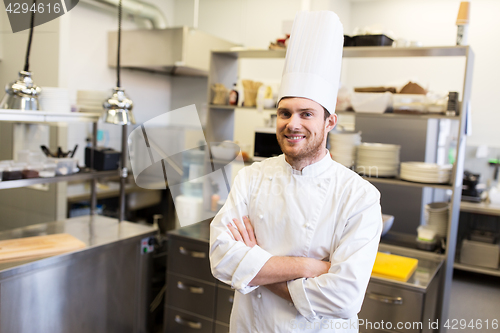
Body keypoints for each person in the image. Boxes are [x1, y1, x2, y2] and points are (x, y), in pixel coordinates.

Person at [209, 10, 382, 333]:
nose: (293, 124)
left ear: (329, 122)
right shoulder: (251, 177)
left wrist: (253, 264)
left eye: (307, 114)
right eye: (284, 113)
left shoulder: (359, 196)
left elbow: (344, 298)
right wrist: (308, 267)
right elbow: (220, 258)